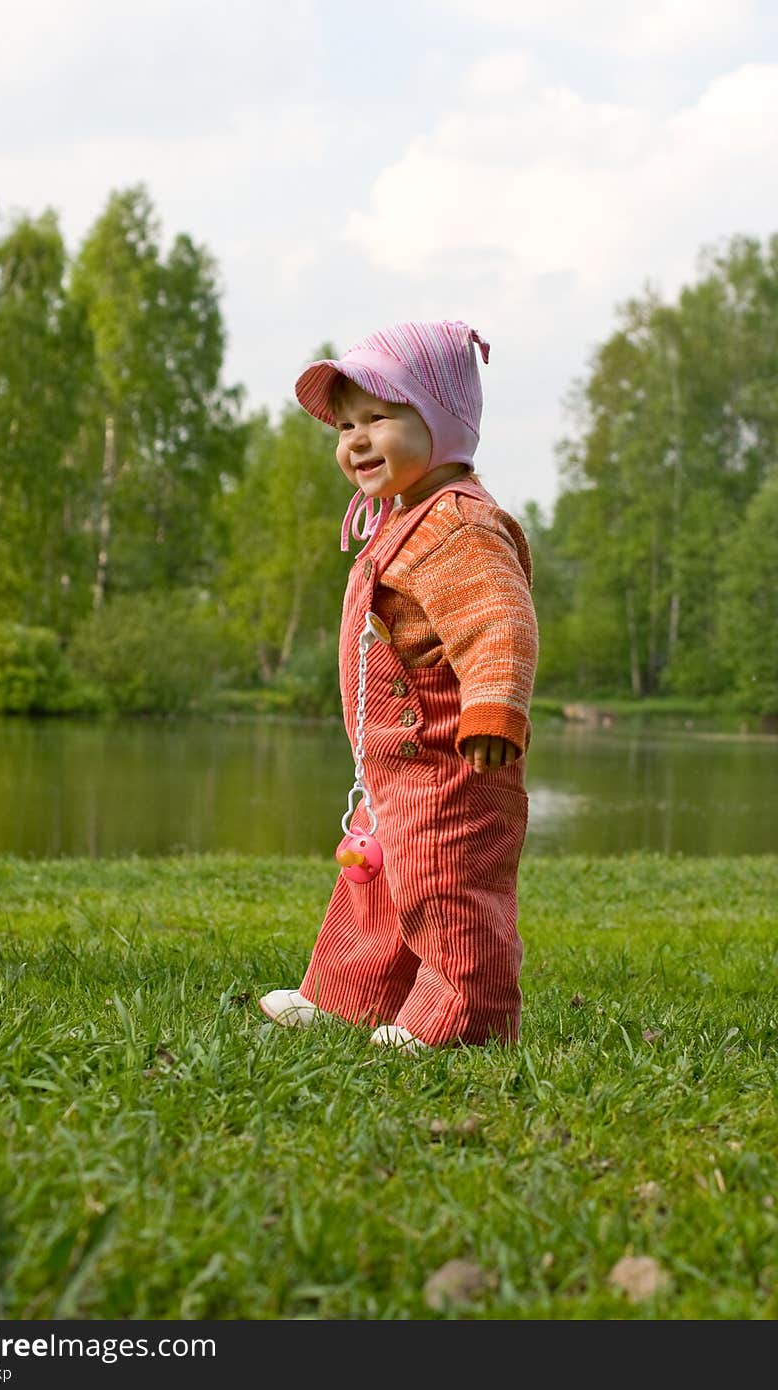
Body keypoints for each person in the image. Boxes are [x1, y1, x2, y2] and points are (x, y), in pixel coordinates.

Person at [259, 320, 539, 1052]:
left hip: (452, 764)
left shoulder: (458, 524)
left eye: (379, 418)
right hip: (397, 768)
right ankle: (349, 1001)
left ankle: (461, 1021)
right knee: (376, 885)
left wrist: (493, 709)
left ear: (441, 421)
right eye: (346, 424)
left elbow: (498, 622)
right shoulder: (403, 520)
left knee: (448, 891)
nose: (355, 439)